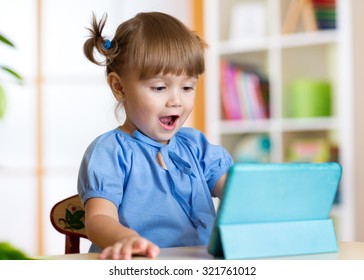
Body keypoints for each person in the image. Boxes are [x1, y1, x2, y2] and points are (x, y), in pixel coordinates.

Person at [78, 11, 234, 260]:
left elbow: (236, 192)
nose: (176, 101)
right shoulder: (110, 151)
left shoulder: (196, 146)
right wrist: (125, 239)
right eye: (160, 87)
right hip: (138, 265)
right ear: (119, 87)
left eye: (187, 87)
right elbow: (98, 218)